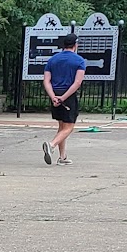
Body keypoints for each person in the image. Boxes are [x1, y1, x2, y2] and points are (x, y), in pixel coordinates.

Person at [40, 33, 88, 165]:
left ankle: (63, 157)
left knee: (62, 126)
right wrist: (64, 97)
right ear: (75, 45)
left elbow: (46, 80)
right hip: (68, 95)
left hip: (55, 94)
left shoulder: (52, 60)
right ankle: (51, 145)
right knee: (69, 127)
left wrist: (53, 97)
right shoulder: (79, 61)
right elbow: (77, 83)